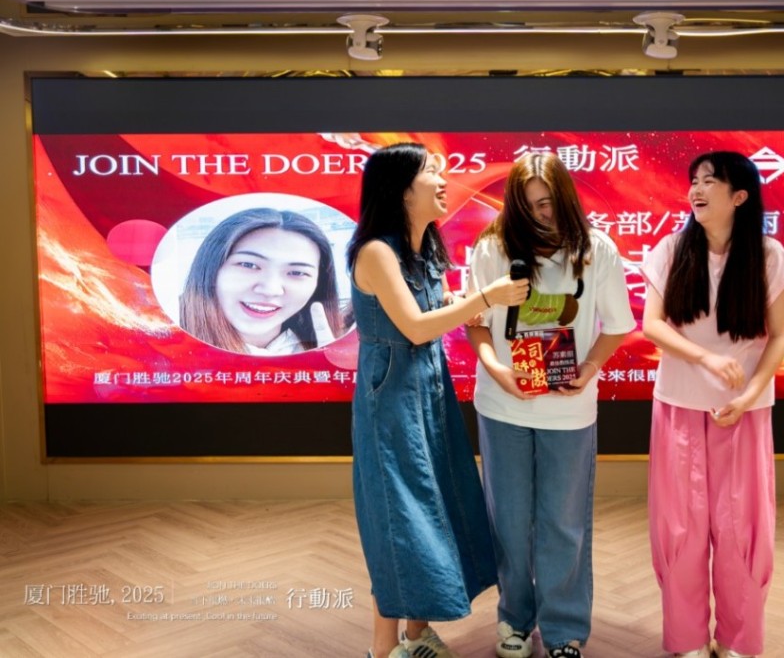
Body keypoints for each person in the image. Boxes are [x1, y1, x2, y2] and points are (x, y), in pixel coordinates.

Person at [347, 142, 530, 658]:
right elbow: (414, 327)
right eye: (432, 171)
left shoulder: (425, 247)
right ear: (402, 189)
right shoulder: (376, 251)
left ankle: (416, 633)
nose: (445, 180)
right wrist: (484, 299)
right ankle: (382, 649)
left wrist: (459, 302)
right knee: (398, 519)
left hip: (428, 390)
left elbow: (434, 309)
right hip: (390, 399)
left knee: (434, 506)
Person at [467, 152, 636, 658]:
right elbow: (475, 322)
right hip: (502, 405)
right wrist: (497, 369)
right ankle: (515, 620)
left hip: (569, 408)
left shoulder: (596, 250)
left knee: (564, 522)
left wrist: (590, 369)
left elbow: (618, 327)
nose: (539, 214)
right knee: (509, 521)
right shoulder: (493, 247)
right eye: (527, 205)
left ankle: (564, 630)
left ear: (565, 198)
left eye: (546, 203)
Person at [641, 151, 784, 658]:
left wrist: (750, 393)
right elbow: (652, 324)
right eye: (694, 180)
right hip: (678, 405)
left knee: (742, 529)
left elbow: (781, 335)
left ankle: (737, 640)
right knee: (680, 527)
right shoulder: (671, 250)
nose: (697, 189)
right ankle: (687, 640)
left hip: (744, 412)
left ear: (740, 197)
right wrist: (706, 359)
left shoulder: (770, 257)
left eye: (710, 180)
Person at [180, 207, 350, 355]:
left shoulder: (339, 351)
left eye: (297, 272)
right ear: (210, 269)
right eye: (248, 265)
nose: (270, 289)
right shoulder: (171, 346)